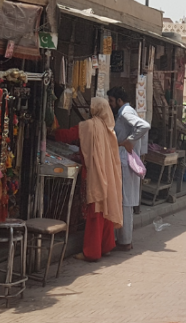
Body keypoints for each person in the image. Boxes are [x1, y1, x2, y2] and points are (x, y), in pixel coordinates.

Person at [52, 98, 122, 261]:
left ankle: (92, 252)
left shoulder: (89, 125)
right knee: (106, 209)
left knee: (95, 210)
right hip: (109, 174)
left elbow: (68, 135)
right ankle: (106, 246)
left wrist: (52, 131)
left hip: (94, 174)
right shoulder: (108, 128)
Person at [107, 86, 150, 252]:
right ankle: (123, 239)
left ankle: (125, 241)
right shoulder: (124, 112)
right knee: (125, 199)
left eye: (111, 101)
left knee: (125, 201)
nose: (110, 104)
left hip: (125, 160)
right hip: (124, 160)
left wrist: (129, 141)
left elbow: (144, 126)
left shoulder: (126, 111)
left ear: (119, 101)